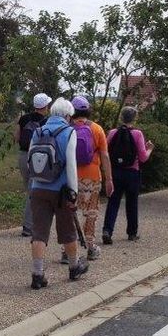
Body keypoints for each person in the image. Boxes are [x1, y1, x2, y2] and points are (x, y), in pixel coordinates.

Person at [28, 98, 88, 289]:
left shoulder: (38, 131)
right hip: (61, 190)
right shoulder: (69, 132)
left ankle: (37, 274)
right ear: (68, 115)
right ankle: (74, 266)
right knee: (67, 231)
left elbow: (31, 161)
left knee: (39, 233)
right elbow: (71, 165)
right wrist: (74, 192)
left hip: (38, 188)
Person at [68, 95, 113, 262]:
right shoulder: (97, 129)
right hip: (92, 177)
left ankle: (68, 250)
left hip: (71, 177)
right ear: (88, 110)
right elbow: (105, 155)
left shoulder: (67, 129)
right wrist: (109, 179)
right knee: (90, 213)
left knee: (72, 212)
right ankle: (90, 248)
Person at [102, 106, 153, 244]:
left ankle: (107, 230)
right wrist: (149, 149)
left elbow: (105, 152)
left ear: (121, 118)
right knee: (132, 203)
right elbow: (143, 158)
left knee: (113, 202)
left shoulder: (112, 133)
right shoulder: (137, 134)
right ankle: (132, 232)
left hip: (116, 171)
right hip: (132, 172)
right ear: (134, 118)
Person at [15, 93, 51, 237]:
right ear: (45, 106)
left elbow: (16, 137)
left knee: (30, 190)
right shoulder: (46, 121)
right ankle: (28, 226)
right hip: (38, 158)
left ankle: (32, 222)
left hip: (23, 156)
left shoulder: (23, 119)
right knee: (33, 193)